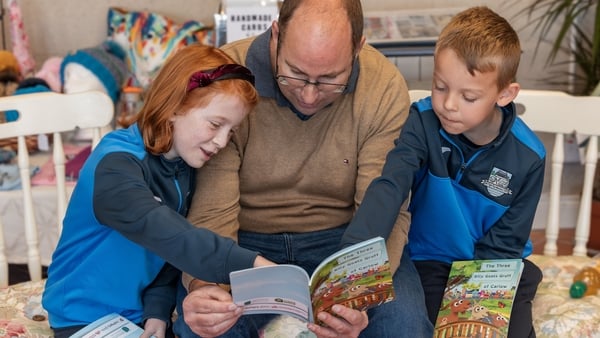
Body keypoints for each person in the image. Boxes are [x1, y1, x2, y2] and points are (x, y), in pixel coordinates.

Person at [174, 0, 433, 337]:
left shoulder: (382, 86)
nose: (309, 96)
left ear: (358, 47)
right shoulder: (228, 77)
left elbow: (385, 209)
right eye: (294, 74)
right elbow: (211, 214)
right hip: (242, 246)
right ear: (276, 34)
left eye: (330, 79)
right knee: (207, 328)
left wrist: (352, 299)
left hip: (348, 241)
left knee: (405, 328)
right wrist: (204, 286)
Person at [41, 44, 273, 338]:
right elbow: (172, 237)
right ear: (175, 106)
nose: (221, 142)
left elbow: (165, 256)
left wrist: (157, 309)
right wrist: (253, 264)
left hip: (136, 317)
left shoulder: (183, 166)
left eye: (231, 131)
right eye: (215, 124)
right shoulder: (115, 165)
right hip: (82, 317)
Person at [341, 6, 544, 337]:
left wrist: (474, 302)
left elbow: (506, 243)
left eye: (468, 96)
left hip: (496, 266)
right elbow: (390, 185)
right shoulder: (421, 123)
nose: (449, 104)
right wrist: (355, 251)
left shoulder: (530, 157)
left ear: (505, 95)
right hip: (431, 262)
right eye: (440, 87)